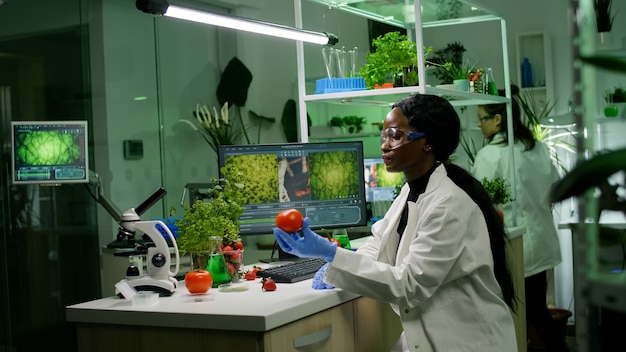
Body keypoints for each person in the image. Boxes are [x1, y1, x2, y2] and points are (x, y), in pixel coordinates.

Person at [274, 94, 518, 352]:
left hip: (466, 340)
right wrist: (337, 264)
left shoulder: (448, 204)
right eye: (384, 136)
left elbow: (410, 285)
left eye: (396, 136)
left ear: (427, 143)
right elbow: (379, 243)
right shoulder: (411, 191)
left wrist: (331, 254)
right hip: (429, 335)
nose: (385, 146)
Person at [471, 87, 568, 352]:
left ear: (498, 119)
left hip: (516, 247)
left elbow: (481, 204)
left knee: (528, 314)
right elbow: (555, 189)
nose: (480, 125)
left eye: (482, 119)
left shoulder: (489, 156)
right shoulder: (536, 148)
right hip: (541, 242)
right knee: (536, 310)